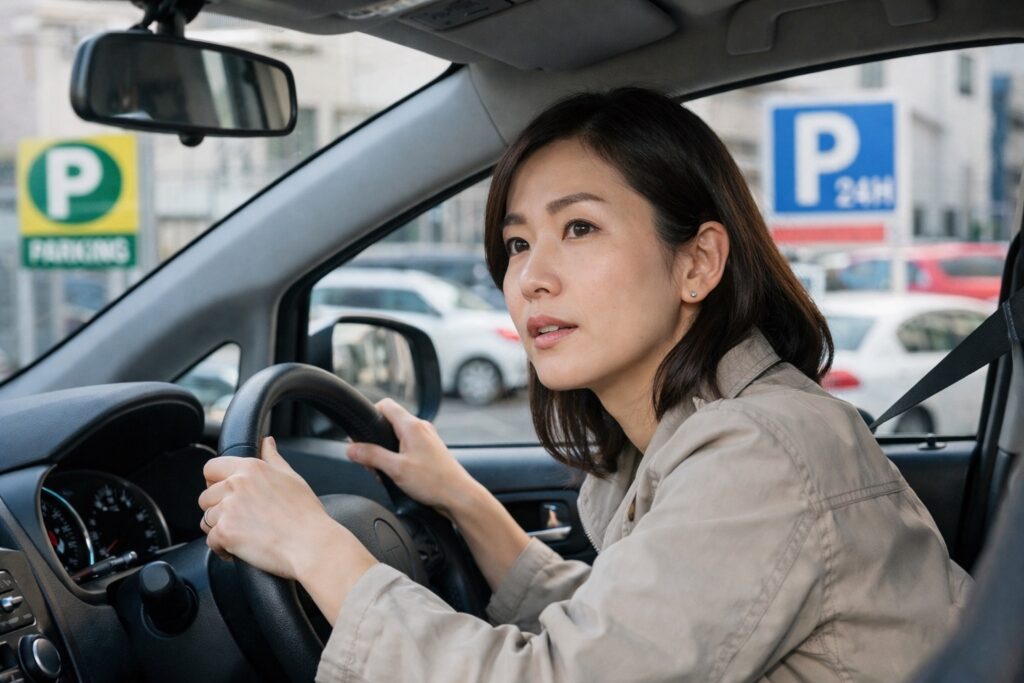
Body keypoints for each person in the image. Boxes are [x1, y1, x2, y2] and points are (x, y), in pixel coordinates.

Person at [198, 87, 970, 682]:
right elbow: (627, 631)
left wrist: (313, 544)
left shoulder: (758, 453)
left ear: (698, 262)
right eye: (516, 243)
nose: (530, 277)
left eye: (579, 228)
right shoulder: (713, 433)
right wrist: (461, 498)